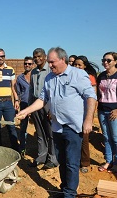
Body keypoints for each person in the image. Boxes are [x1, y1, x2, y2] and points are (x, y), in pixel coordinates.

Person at [17, 47, 97, 198]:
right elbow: (42, 99)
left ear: (63, 59)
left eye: (52, 62)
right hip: (57, 126)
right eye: (49, 63)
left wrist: (88, 120)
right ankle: (64, 188)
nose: (50, 65)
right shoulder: (49, 78)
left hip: (73, 126)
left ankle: (70, 194)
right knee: (61, 160)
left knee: (72, 162)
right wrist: (26, 111)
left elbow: (91, 97)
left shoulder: (78, 74)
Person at [28, 48, 58, 169]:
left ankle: (52, 159)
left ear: (45, 56)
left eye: (39, 56)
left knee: (50, 133)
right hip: (36, 104)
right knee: (40, 132)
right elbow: (31, 90)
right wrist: (30, 108)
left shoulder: (50, 71)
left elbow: (55, 91)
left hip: (47, 105)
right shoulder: (34, 71)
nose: (37, 59)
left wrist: (52, 108)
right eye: (35, 57)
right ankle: (41, 156)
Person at [73, 55, 98, 173]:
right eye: (75, 64)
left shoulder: (90, 77)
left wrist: (90, 114)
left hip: (85, 111)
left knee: (84, 137)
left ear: (85, 66)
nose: (77, 67)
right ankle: (74, 160)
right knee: (74, 136)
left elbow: (93, 96)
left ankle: (85, 162)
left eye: (80, 65)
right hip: (74, 111)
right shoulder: (72, 77)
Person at [97, 52, 117, 173]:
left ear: (115, 61)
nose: (105, 62)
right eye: (103, 60)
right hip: (102, 110)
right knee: (106, 137)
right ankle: (109, 161)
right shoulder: (102, 76)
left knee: (115, 138)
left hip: (114, 111)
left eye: (108, 60)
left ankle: (116, 163)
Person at [15, 56, 34, 157]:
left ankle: (42, 150)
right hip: (24, 105)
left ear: (33, 65)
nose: (27, 65)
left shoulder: (36, 76)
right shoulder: (20, 78)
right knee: (23, 127)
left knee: (40, 128)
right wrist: (17, 101)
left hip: (36, 105)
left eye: (29, 64)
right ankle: (22, 148)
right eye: (25, 63)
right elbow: (18, 92)